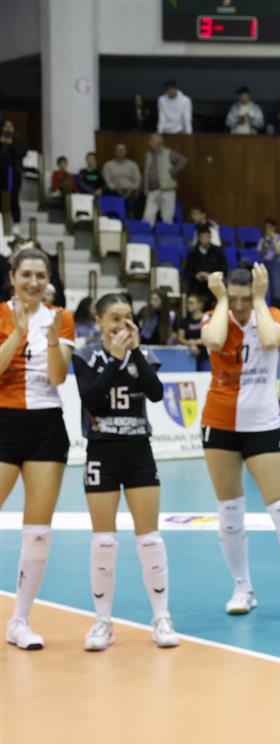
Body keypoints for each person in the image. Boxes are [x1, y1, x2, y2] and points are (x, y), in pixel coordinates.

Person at [199, 263, 280, 621]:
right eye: (233, 299)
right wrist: (221, 301)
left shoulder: (271, 315)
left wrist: (259, 300)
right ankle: (242, 588)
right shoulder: (214, 316)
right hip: (219, 424)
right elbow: (214, 341)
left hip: (262, 426)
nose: (239, 306)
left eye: (245, 299)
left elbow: (270, 340)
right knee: (229, 512)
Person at [72, 293, 179, 651]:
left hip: (138, 451)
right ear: (99, 321)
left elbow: (156, 393)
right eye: (115, 318)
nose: (122, 325)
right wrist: (116, 359)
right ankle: (103, 622)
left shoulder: (143, 354)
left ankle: (161, 617)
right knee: (104, 541)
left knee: (149, 539)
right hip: (102, 450)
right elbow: (92, 399)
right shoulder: (86, 355)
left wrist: (133, 353)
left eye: (128, 317)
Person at [1, 247, 75, 651]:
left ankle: (20, 621)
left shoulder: (61, 317)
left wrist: (50, 341)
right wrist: (17, 332)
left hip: (47, 425)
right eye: (26, 275)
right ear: (12, 277)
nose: (33, 282)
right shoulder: (0, 314)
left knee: (38, 530)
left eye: (40, 276)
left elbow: (58, 377)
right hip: (4, 421)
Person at [142, 133, 188, 226]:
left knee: (167, 218)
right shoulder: (148, 154)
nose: (149, 142)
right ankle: (147, 234)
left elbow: (183, 160)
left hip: (167, 190)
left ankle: (167, 235)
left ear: (159, 142)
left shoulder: (168, 153)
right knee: (147, 218)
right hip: (152, 191)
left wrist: (173, 172)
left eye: (151, 140)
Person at [184, 224, 227, 305]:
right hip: (196, 288)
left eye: (207, 237)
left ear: (210, 237)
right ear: (199, 238)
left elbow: (224, 270)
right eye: (202, 237)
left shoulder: (218, 252)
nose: (205, 240)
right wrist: (196, 276)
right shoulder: (193, 253)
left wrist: (210, 276)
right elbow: (187, 272)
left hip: (213, 289)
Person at [102, 144, 143, 218]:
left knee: (134, 199)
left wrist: (131, 189)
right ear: (115, 152)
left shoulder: (132, 164)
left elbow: (137, 180)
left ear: (126, 152)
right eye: (118, 150)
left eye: (122, 150)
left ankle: (130, 221)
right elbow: (108, 181)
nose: (120, 152)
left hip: (130, 191)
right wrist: (116, 189)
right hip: (113, 191)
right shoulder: (108, 165)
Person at [1, 121, 25, 230]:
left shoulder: (18, 141)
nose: (7, 129)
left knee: (13, 198)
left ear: (14, 128)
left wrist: (10, 144)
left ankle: (16, 223)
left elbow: (21, 153)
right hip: (1, 173)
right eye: (5, 126)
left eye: (10, 126)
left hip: (13, 173)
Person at [176, 291, 210, 370]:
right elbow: (180, 338)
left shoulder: (207, 319)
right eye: (187, 303)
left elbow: (210, 338)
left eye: (191, 303)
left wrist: (194, 342)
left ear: (199, 304)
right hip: (189, 356)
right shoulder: (184, 321)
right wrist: (190, 344)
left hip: (205, 357)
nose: (188, 305)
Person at [256, 217, 280, 299]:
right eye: (266, 227)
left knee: (277, 288)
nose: (268, 229)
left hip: (276, 265)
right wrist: (264, 242)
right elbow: (260, 253)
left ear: (274, 227)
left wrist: (273, 238)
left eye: (270, 227)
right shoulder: (263, 239)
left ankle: (278, 303)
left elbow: (278, 251)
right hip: (266, 263)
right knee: (266, 289)